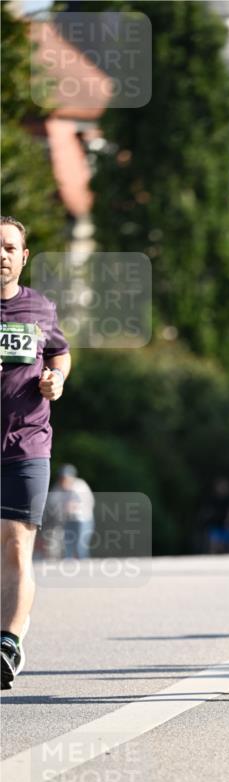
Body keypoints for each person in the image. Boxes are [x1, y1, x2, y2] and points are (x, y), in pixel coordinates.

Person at [1, 216, 71, 690]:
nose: (1, 255)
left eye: (9, 247)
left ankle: (7, 643)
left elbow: (60, 353)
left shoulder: (40, 308)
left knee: (14, 543)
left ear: (23, 257)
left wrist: (56, 380)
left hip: (26, 443)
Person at [48, 465, 95, 559]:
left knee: (80, 546)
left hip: (83, 519)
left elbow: (87, 502)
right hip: (67, 520)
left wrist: (74, 506)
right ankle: (69, 568)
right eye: (62, 478)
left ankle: (84, 566)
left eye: (66, 478)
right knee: (67, 546)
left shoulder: (80, 485)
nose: (63, 480)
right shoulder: (57, 488)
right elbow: (52, 503)